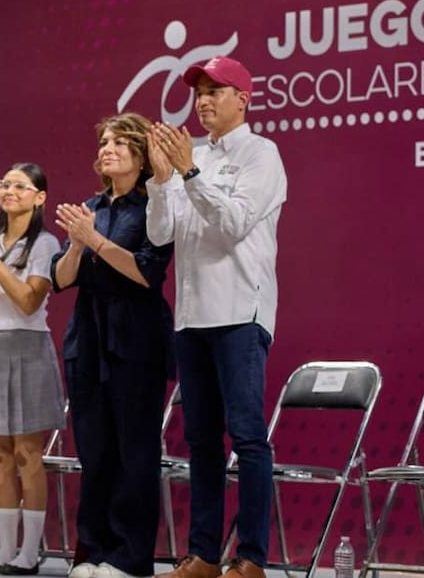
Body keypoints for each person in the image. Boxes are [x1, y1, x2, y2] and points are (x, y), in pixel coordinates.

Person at [148, 57, 288, 578]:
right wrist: (164, 181)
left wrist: (186, 173)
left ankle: (251, 557)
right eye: (199, 92)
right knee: (201, 440)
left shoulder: (261, 154)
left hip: (239, 311)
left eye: (215, 90)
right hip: (191, 314)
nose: (203, 100)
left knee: (248, 435)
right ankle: (205, 554)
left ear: (242, 99)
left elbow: (233, 224)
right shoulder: (195, 155)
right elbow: (162, 235)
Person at [51, 113, 175, 578]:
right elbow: (62, 279)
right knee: (95, 451)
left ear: (141, 156)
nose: (108, 148)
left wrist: (94, 240)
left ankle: (130, 556)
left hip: (134, 337)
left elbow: (147, 272)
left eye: (121, 142)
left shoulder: (154, 208)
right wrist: (79, 245)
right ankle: (93, 549)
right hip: (87, 338)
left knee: (134, 451)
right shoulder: (91, 205)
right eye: (104, 141)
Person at [0, 162, 63, 575]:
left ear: (39, 197)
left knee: (27, 452)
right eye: (5, 184)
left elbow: (28, 301)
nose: (10, 191)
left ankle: (29, 552)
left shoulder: (44, 243)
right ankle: (4, 550)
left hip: (28, 345)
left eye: (21, 186)